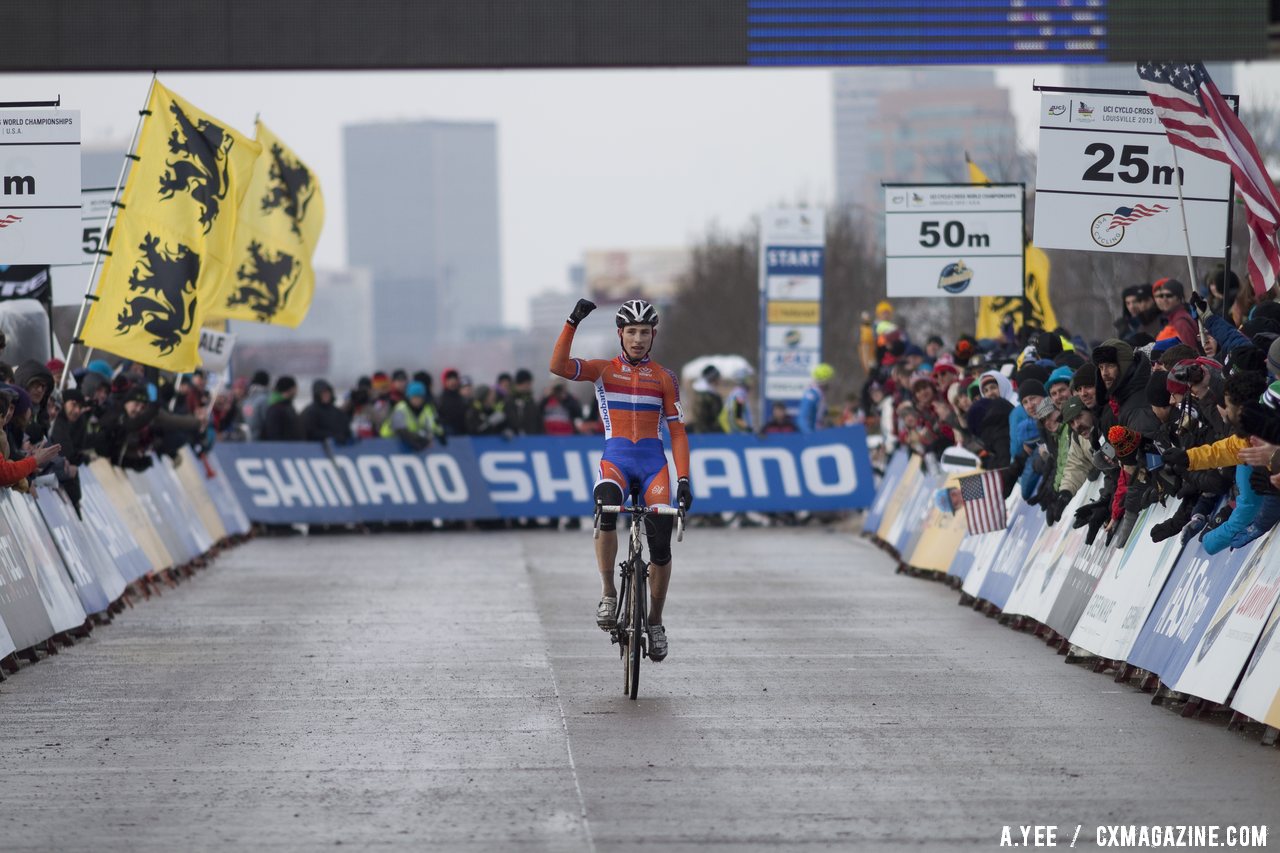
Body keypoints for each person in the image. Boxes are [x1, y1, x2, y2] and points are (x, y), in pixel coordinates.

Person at [549, 298, 692, 663]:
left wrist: (684, 480)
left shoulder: (664, 377)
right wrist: (572, 322)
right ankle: (609, 592)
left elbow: (677, 434)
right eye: (632, 332)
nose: (639, 339)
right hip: (615, 461)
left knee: (661, 548)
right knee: (605, 508)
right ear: (621, 334)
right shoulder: (602, 370)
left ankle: (655, 622)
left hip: (653, 466)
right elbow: (558, 366)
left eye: (645, 332)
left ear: (653, 335)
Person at [380, 381, 441, 451]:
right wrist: (420, 441)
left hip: (409, 440)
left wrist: (432, 436)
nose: (417, 400)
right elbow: (401, 431)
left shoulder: (426, 409)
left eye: (419, 397)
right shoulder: (400, 408)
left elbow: (433, 426)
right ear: (409, 397)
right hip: (389, 441)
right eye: (414, 397)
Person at [262, 376, 304, 441]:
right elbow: (274, 436)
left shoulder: (287, 406)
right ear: (290, 389)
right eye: (295, 388)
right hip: (284, 449)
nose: (297, 391)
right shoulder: (276, 409)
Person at [798, 363, 834, 433]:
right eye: (830, 379)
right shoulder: (812, 394)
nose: (831, 382)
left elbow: (820, 412)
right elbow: (802, 419)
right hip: (813, 435)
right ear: (824, 381)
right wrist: (810, 436)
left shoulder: (820, 393)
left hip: (818, 432)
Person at [718, 367, 753, 433]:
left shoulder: (736, 393)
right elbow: (738, 418)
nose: (751, 382)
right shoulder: (740, 395)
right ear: (743, 380)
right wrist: (749, 430)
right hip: (737, 435)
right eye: (749, 379)